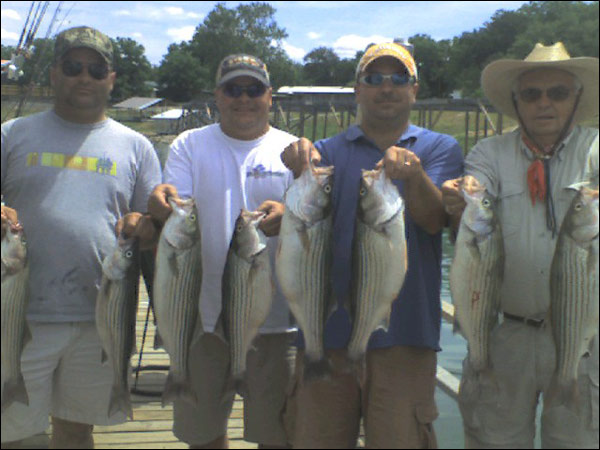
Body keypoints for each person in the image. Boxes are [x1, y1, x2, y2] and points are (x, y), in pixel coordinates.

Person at [280, 42, 464, 448]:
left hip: (406, 335)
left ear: (414, 89)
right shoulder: (326, 151)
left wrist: (414, 178)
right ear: (357, 89)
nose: (387, 87)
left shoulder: (439, 148)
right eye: (373, 78)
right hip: (325, 334)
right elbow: (299, 223)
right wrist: (299, 164)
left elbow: (434, 222)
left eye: (399, 78)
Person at [0, 26, 161, 448]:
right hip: (18, 316)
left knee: (75, 431)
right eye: (73, 67)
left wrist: (143, 224)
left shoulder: (137, 146)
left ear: (110, 78)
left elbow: (150, 226)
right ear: (54, 73)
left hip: (102, 318)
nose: (83, 76)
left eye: (95, 68)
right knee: (17, 434)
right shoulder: (12, 133)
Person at [441, 42, 599, 448]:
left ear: (577, 98)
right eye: (531, 93)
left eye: (558, 92)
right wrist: (463, 194)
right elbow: (476, 192)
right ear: (516, 100)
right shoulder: (488, 152)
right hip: (506, 332)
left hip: (584, 337)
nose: (544, 102)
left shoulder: (595, 150)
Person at [147, 54, 298, 449]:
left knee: (277, 437)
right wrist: (163, 204)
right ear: (218, 95)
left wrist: (291, 215)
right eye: (233, 89)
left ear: (270, 96)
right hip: (202, 321)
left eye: (253, 89)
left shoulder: (292, 151)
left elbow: (315, 222)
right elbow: (177, 202)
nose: (243, 98)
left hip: (277, 324)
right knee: (204, 436)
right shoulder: (189, 144)